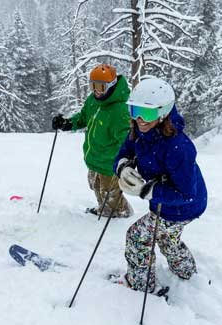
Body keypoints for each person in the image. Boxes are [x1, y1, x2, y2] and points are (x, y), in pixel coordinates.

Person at [112, 77, 207, 292]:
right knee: (167, 239)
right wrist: (123, 167)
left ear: (163, 113)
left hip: (182, 207)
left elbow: (186, 194)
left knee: (137, 238)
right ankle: (186, 271)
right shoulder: (139, 130)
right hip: (168, 202)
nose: (139, 119)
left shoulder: (179, 147)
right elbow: (125, 151)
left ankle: (140, 285)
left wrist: (147, 190)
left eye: (147, 113)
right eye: (134, 110)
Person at [52, 64, 133, 218]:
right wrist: (67, 123)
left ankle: (120, 214)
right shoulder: (93, 100)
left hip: (109, 164)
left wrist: (126, 161)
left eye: (100, 87)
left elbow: (126, 140)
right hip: (94, 158)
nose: (96, 90)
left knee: (110, 194)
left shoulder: (119, 110)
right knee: (96, 187)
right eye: (93, 86)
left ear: (111, 86)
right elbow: (83, 118)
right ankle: (105, 209)